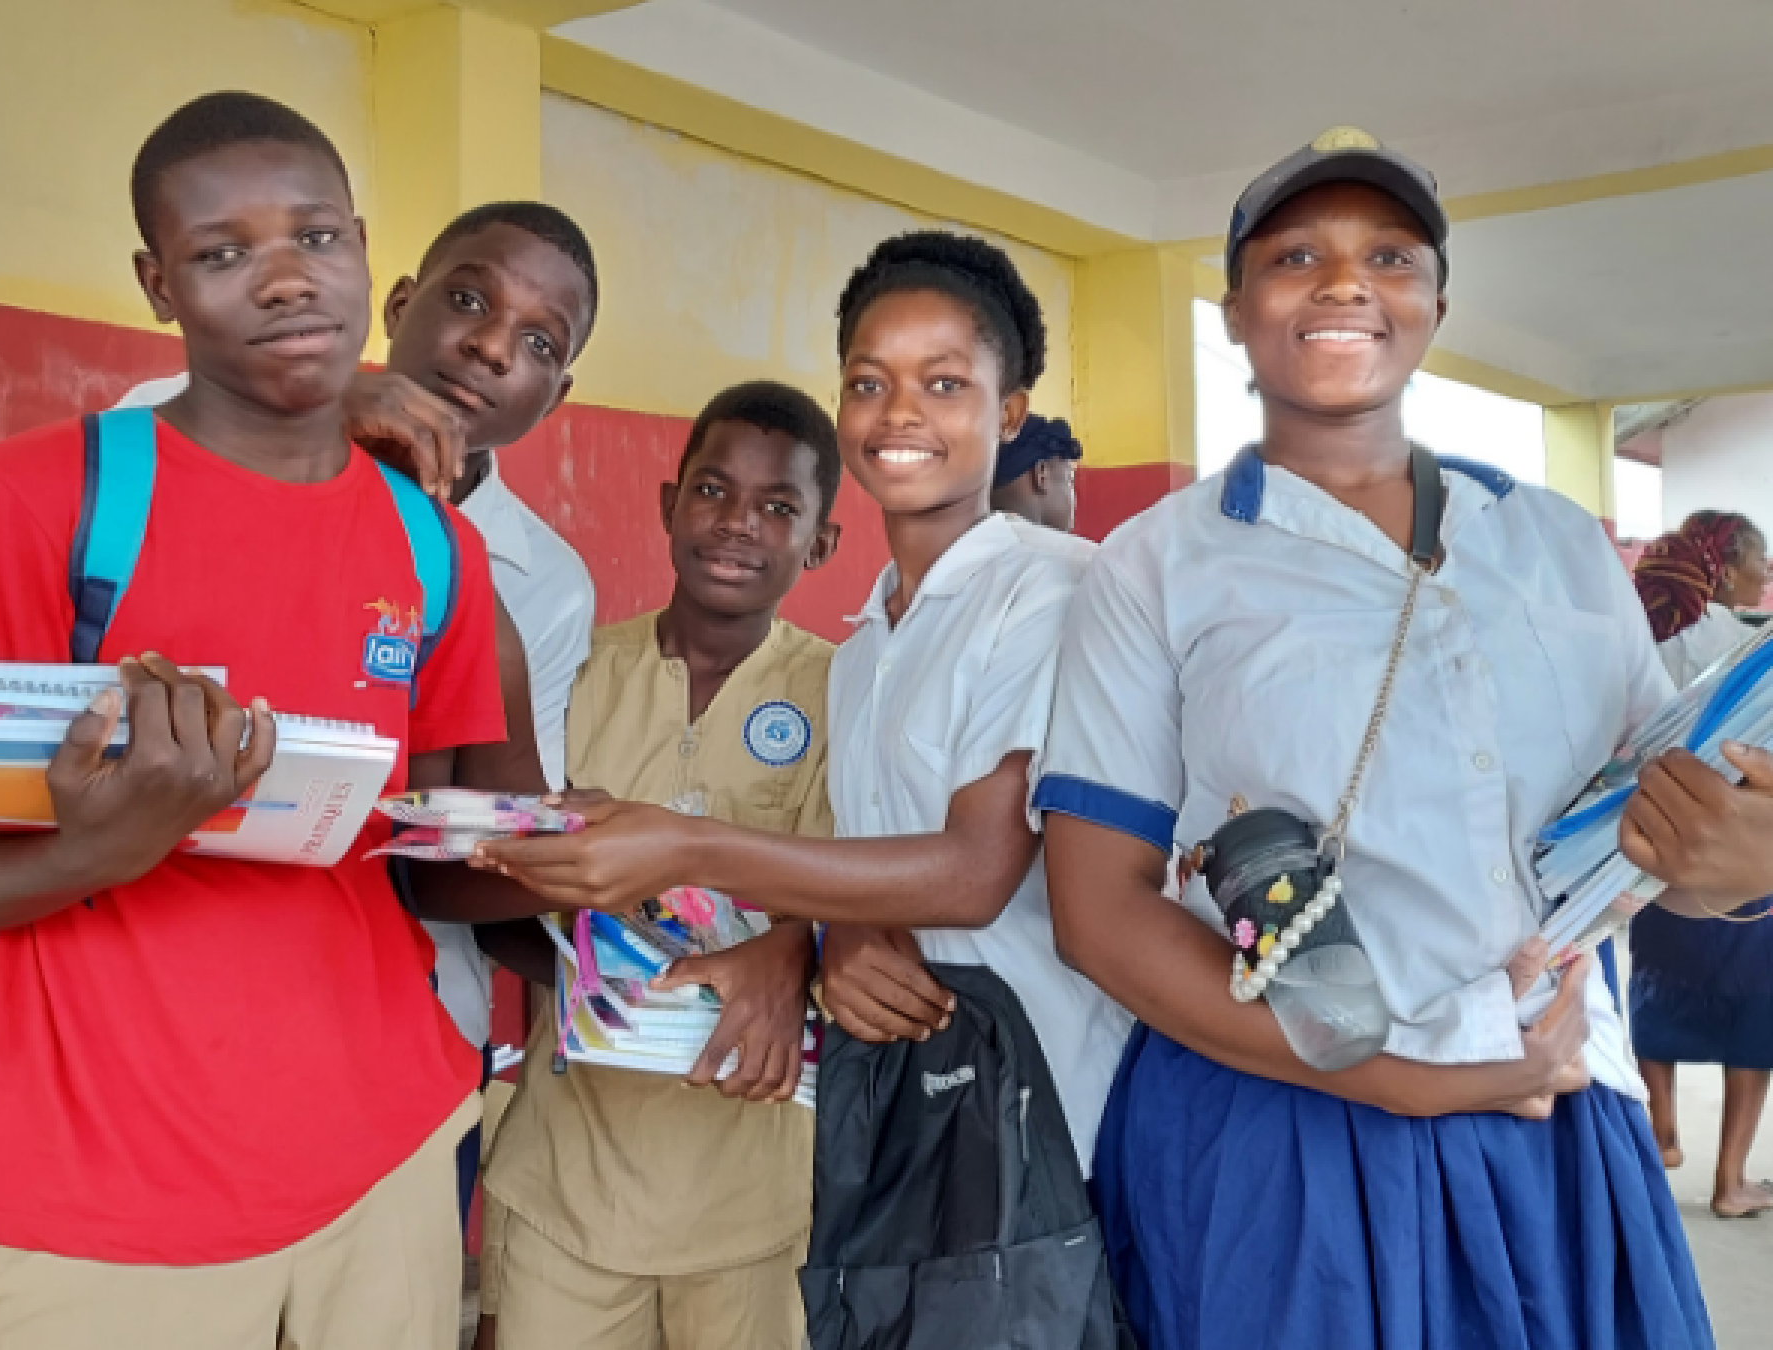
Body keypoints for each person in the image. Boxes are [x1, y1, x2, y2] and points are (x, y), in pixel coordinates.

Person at [1034, 128, 1736, 1349]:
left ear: (1435, 305)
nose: (1346, 284)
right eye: (1296, 256)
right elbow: (1099, 913)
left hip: (1556, 1110)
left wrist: (1741, 868)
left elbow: (1647, 851)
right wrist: (1402, 1079)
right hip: (1279, 1136)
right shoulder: (1156, 566)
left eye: (1391, 257)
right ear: (1236, 312)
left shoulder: (1558, 545)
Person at [0, 92, 528, 1350]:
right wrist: (104, 849)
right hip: (107, 1190)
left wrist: (614, 863)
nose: (286, 280)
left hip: (381, 1156)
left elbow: (421, 851)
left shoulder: (434, 547)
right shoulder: (42, 502)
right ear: (157, 283)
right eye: (224, 253)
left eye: (317, 238)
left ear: (364, 251)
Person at [474, 231, 1133, 1186]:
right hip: (906, 1125)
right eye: (870, 382)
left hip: (1051, 1114)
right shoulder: (866, 648)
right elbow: (866, 867)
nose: (900, 411)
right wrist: (827, 937)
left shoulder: (1051, 589)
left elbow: (974, 873)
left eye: (944, 383)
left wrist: (687, 847)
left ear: (1010, 411)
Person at [117, 197, 604, 1229]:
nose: (489, 348)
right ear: (397, 304)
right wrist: (318, 406)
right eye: (466, 300)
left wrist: (586, 875)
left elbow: (474, 841)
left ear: (556, 394)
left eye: (537, 344)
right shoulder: (178, 420)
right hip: (158, 1001)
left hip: (400, 1027)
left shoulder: (543, 581)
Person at [456, 380, 841, 1350]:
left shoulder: (843, 696)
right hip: (568, 1183)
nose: (738, 523)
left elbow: (852, 899)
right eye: (712, 491)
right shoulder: (576, 675)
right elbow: (495, 892)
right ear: (670, 505)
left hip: (758, 1203)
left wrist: (792, 945)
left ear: (821, 543)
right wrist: (603, 975)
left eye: (778, 507)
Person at [1629, 509, 1773, 1216]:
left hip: (1646, 854)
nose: (1766, 576)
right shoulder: (1739, 646)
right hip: (1733, 852)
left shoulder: (1636, 638)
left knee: (1656, 990)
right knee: (1754, 1011)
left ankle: (1662, 1129)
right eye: (1761, 562)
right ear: (1726, 565)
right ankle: (1731, 1183)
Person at [1636, 510, 1768, 687]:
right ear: (1727, 574)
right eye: (1761, 559)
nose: (1768, 573)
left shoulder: (1652, 623)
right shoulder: (1750, 646)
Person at [989, 412, 1082, 532]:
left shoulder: (973, 539)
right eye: (1070, 480)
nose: (1075, 500)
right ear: (1042, 474)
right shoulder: (1062, 544)